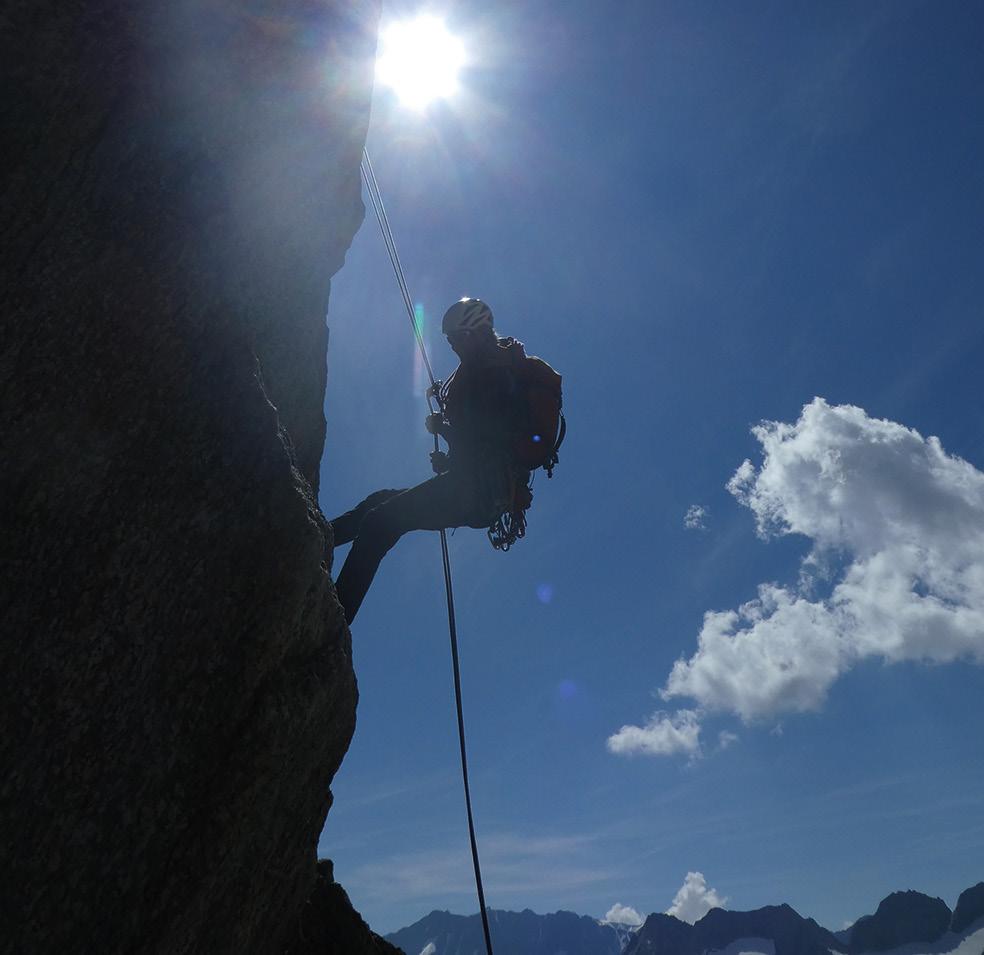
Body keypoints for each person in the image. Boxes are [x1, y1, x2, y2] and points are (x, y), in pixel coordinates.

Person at [329, 298, 532, 624]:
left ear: (474, 334)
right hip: (478, 489)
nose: (452, 345)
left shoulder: (493, 377)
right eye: (449, 339)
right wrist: (450, 460)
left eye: (456, 338)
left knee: (380, 522)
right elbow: (485, 445)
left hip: (478, 491)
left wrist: (444, 430)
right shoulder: (487, 371)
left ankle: (334, 620)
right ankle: (320, 540)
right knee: (378, 503)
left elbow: (489, 439)